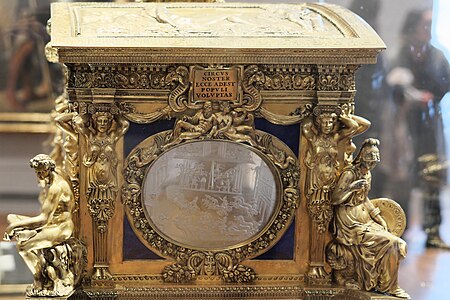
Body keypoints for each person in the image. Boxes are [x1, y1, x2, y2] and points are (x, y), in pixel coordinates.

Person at [387, 8, 450, 248]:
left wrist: (430, 96)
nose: (427, 30)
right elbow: (391, 87)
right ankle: (400, 231)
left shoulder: (436, 55)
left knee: (432, 173)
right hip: (405, 125)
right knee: (403, 177)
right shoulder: (402, 53)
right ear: (413, 27)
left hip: (429, 123)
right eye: (424, 25)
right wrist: (408, 95)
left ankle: (433, 232)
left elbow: (446, 82)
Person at [330, 139, 410, 299]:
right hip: (349, 222)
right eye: (370, 158)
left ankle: (384, 283)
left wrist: (378, 217)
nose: (373, 162)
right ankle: (389, 287)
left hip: (365, 218)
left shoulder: (368, 174)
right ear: (362, 157)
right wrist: (351, 188)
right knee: (392, 242)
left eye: (375, 159)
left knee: (399, 243)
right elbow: (335, 198)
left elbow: (365, 199)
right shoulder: (349, 173)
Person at [4, 154, 75, 293]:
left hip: (60, 227)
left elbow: (43, 219)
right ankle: (31, 235)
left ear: (49, 168)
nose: (40, 175)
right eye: (37, 172)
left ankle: (40, 278)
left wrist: (13, 228)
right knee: (11, 217)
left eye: (42, 172)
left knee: (22, 247)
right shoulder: (56, 174)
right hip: (51, 223)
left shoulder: (56, 187)